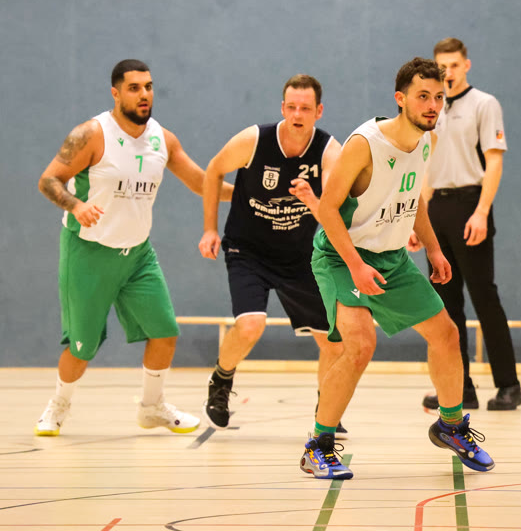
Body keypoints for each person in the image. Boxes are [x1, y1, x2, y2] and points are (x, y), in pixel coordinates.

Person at [305, 57, 495, 480]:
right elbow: (328, 210)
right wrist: (355, 266)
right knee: (359, 346)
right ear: (400, 99)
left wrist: (435, 249)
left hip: (391, 258)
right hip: (342, 256)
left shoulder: (426, 140)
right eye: (423, 96)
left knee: (446, 335)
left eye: (439, 97)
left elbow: (412, 199)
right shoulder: (365, 143)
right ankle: (319, 445)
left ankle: (450, 426)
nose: (432, 105)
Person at [35, 59, 232, 436]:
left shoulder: (163, 139)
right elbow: (49, 180)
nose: (144, 94)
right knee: (81, 349)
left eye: (149, 87)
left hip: (138, 256)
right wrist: (75, 205)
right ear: (116, 93)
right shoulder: (91, 135)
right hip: (89, 252)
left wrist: (249, 195)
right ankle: (58, 405)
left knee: (165, 333)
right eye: (134, 88)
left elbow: (201, 183)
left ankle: (152, 407)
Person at [197, 74, 346, 434]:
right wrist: (209, 229)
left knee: (333, 341)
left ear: (318, 111)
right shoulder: (254, 140)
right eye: (291, 107)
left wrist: (311, 198)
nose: (297, 114)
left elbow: (333, 212)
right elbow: (213, 171)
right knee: (251, 325)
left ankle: (327, 410)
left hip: (300, 256)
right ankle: (221, 379)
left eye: (305, 108)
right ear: (282, 108)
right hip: (248, 250)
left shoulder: (329, 151)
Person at [409, 37, 521, 411]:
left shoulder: (484, 104)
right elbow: (425, 165)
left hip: (470, 204)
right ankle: (460, 389)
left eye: (454, 65)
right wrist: (417, 219)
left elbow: (495, 160)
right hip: (437, 207)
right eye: (442, 67)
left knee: (485, 298)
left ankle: (509, 386)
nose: (448, 72)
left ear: (466, 65)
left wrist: (481, 212)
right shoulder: (431, 110)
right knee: (445, 304)